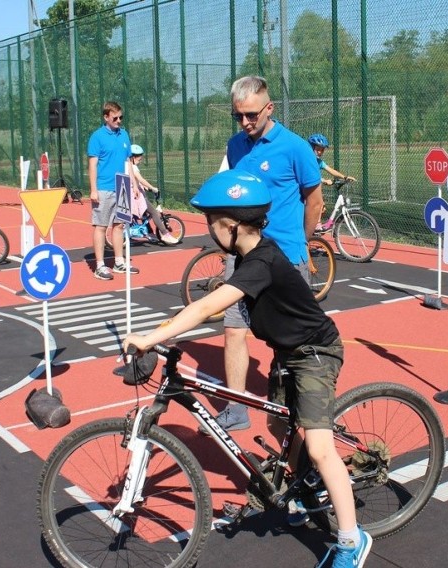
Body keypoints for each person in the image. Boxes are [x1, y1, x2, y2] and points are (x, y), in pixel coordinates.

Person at [123, 170, 372, 567]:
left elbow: (207, 307)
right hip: (287, 352)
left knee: (320, 448)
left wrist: (152, 336)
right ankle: (306, 485)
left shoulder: (261, 262)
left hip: (315, 353)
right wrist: (170, 329)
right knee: (279, 426)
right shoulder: (246, 257)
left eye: (211, 223)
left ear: (232, 225)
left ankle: (350, 541)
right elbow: (211, 307)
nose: (208, 230)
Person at [217, 75, 323, 433]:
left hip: (284, 259)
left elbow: (315, 201)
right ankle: (235, 408)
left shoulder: (295, 148)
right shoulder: (235, 147)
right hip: (245, 257)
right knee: (233, 331)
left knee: (288, 343)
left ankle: (295, 414)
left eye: (251, 115)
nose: (245, 123)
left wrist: (301, 244)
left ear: (269, 108)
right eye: (238, 116)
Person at [87, 101, 138, 280]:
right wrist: (93, 190)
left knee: (119, 226)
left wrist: (134, 185)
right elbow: (92, 165)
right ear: (106, 117)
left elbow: (128, 163)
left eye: (121, 117)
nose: (118, 121)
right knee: (101, 227)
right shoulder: (97, 137)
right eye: (115, 118)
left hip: (122, 186)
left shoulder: (124, 135)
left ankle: (119, 262)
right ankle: (100, 266)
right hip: (104, 188)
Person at [128, 144, 179, 245]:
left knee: (145, 214)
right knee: (154, 213)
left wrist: (145, 187)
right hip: (137, 197)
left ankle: (150, 233)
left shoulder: (127, 166)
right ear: (133, 158)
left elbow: (135, 181)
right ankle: (165, 234)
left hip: (132, 194)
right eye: (139, 159)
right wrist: (152, 188)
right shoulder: (133, 167)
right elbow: (140, 179)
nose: (140, 161)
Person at [307, 133, 356, 232]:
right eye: (318, 149)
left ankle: (316, 227)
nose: (320, 152)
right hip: (304, 189)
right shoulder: (307, 160)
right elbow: (308, 175)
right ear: (312, 147)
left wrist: (345, 177)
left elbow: (330, 170)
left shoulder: (319, 162)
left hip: (315, 189)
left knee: (321, 206)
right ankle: (314, 226)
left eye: (322, 150)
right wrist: (323, 180)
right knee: (318, 204)